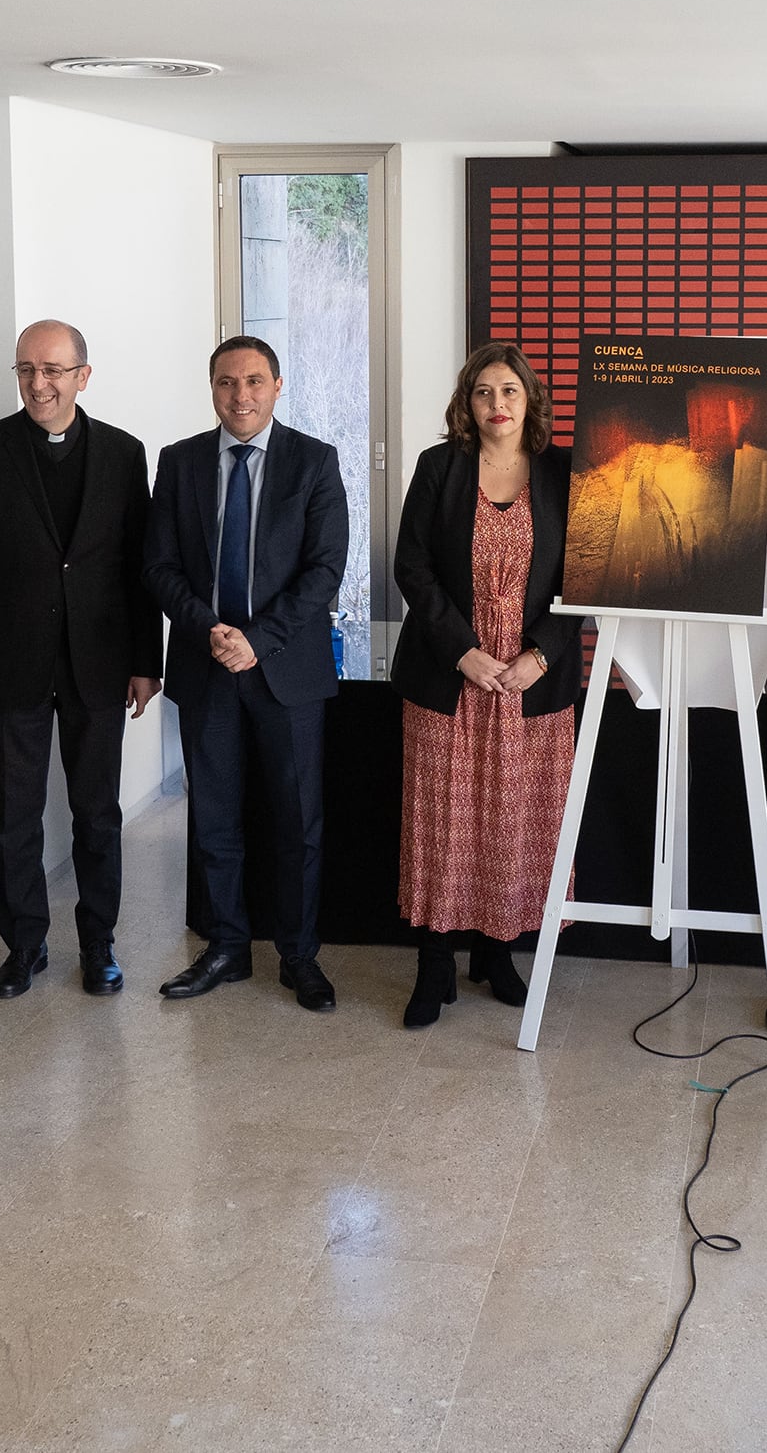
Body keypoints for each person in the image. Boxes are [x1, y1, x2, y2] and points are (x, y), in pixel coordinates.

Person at [0, 320, 163, 999]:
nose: (40, 383)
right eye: (28, 369)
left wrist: (146, 660)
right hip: (9, 666)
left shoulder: (124, 453)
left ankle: (99, 945)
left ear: (83, 376)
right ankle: (25, 946)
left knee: (97, 814)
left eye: (55, 370)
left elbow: (138, 566)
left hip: (99, 661)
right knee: (16, 815)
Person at [144, 335, 349, 1011]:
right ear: (212, 389)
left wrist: (256, 640)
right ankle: (227, 947)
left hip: (286, 671)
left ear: (277, 386)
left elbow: (324, 571)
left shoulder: (315, 462)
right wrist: (212, 632)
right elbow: (159, 566)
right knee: (215, 818)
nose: (241, 395)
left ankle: (299, 957)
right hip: (207, 669)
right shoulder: (179, 463)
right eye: (227, 383)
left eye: (254, 381)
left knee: (298, 823)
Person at [391, 343, 582, 1028]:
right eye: (482, 392)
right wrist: (463, 652)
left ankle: (499, 955)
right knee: (444, 824)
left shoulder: (563, 473)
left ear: (530, 400)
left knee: (516, 824)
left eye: (509, 391)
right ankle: (434, 964)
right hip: (452, 677)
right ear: (465, 404)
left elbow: (584, 576)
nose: (496, 404)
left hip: (532, 681)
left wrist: (541, 654)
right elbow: (411, 566)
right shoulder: (439, 467)